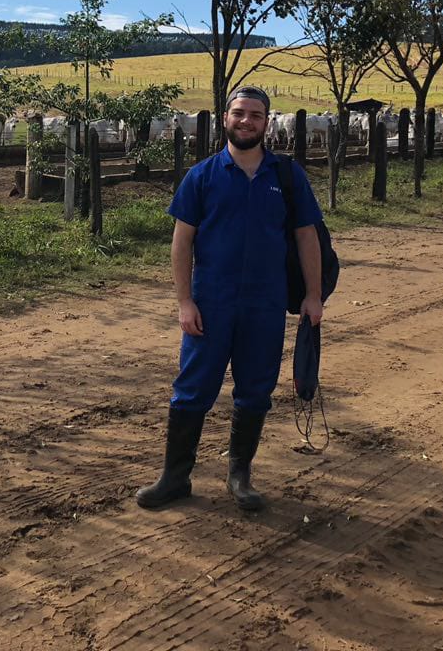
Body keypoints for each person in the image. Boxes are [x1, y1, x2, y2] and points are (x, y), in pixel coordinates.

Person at [137, 87, 325, 511]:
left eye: (255, 115)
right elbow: (182, 242)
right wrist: (185, 302)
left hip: (266, 304)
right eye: (239, 113)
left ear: (267, 123)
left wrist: (313, 296)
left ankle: (240, 477)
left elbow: (306, 236)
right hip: (211, 304)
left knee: (255, 390)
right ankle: (174, 478)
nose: (246, 121)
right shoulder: (202, 176)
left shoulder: (287, 176)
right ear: (225, 118)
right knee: (192, 388)